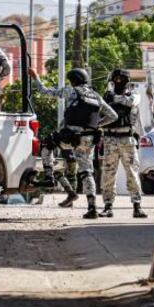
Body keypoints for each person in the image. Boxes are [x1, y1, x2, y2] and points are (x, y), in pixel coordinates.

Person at [30, 67, 118, 219]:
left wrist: (35, 78)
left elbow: (45, 92)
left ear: (73, 80)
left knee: (47, 144)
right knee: (86, 171)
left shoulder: (71, 91)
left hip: (71, 137)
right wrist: (97, 125)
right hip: (89, 139)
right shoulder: (96, 96)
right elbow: (113, 115)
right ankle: (92, 208)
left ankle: (49, 176)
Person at [100, 69, 147, 218]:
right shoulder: (106, 97)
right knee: (108, 174)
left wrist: (114, 98)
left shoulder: (134, 95)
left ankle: (137, 206)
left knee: (132, 173)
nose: (118, 82)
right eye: (116, 79)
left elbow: (130, 102)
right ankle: (108, 206)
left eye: (121, 79)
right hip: (110, 139)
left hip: (127, 138)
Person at [39, 131, 79, 207]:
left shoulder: (66, 133)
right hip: (75, 157)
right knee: (72, 177)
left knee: (57, 173)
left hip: (67, 156)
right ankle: (70, 200)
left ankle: (71, 194)